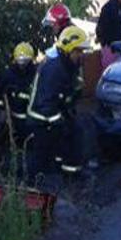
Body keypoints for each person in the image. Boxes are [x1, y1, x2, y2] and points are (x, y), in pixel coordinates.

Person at [26, 26, 90, 192]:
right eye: (79, 51)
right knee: (41, 154)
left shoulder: (69, 66)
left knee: (76, 133)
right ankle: (32, 187)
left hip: (57, 113)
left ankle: (71, 175)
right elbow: (46, 103)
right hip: (41, 117)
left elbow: (69, 93)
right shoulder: (54, 69)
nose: (82, 55)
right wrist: (60, 120)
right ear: (69, 49)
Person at [0, 42, 37, 141]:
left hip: (33, 122)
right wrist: (2, 110)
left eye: (25, 61)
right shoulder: (7, 75)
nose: (22, 64)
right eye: (19, 61)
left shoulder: (37, 74)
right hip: (13, 121)